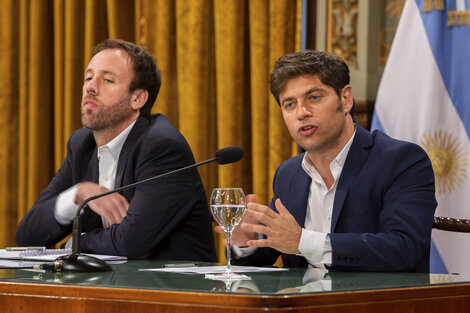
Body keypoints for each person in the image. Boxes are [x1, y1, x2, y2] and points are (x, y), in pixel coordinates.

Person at [229, 50, 437, 272]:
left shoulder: (401, 161)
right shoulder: (288, 173)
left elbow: (404, 249)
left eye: (314, 97)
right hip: (302, 303)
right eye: (289, 104)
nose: (302, 113)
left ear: (346, 99)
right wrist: (245, 242)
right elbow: (272, 249)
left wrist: (303, 242)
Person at [16, 39, 217, 262]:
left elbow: (131, 243)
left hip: (172, 293)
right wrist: (77, 195)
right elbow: (27, 236)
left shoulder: (162, 147)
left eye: (108, 80)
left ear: (137, 98)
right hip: (108, 291)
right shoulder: (81, 145)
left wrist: (75, 242)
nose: (90, 87)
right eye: (88, 77)